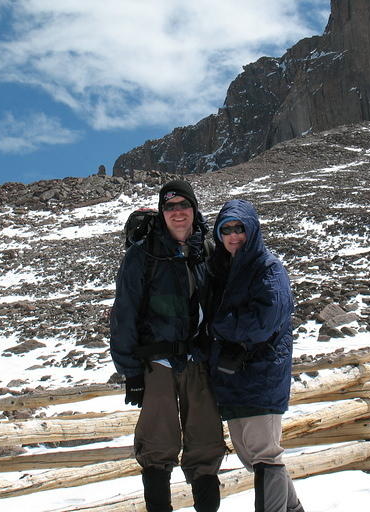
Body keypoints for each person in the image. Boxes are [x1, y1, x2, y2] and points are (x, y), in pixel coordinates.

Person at [110, 180, 226, 512]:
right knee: (158, 447)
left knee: (205, 445)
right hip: (156, 362)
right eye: (170, 207)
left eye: (183, 206)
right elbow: (124, 314)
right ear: (162, 213)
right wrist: (131, 373)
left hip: (197, 360)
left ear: (194, 209)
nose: (178, 213)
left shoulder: (206, 250)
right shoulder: (142, 255)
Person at [206, 199, 304, 512]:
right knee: (253, 456)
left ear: (252, 230)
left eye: (240, 228)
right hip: (235, 379)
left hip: (261, 374)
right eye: (227, 229)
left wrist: (219, 326)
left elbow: (266, 318)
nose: (234, 235)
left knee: (264, 456)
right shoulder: (223, 269)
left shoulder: (267, 267)